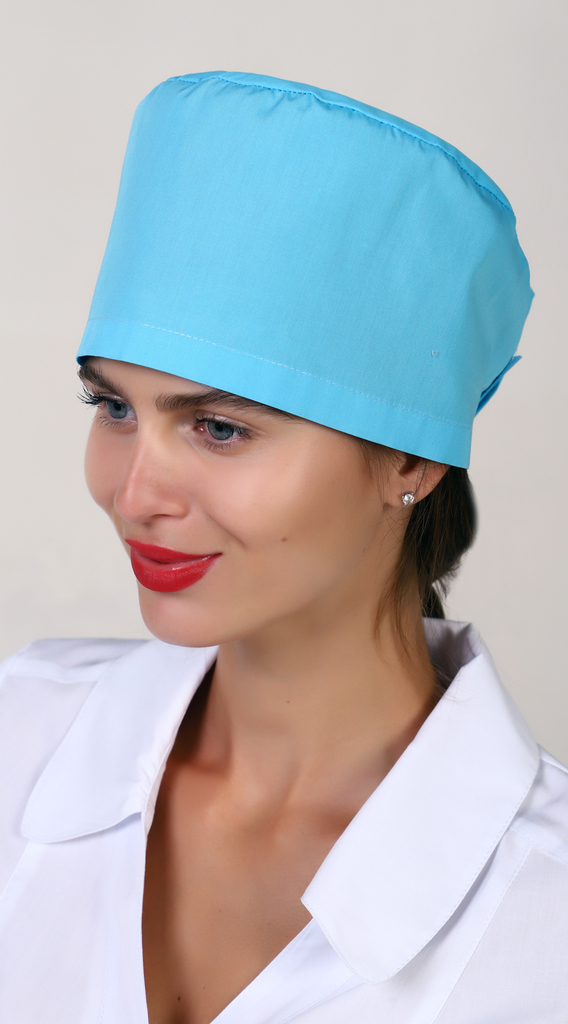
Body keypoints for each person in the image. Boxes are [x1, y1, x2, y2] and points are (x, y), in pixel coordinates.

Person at [0, 71, 566, 1024]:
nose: (132, 495)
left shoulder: (547, 915)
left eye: (219, 428)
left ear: (410, 459)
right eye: (113, 407)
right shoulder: (19, 732)